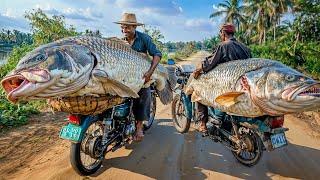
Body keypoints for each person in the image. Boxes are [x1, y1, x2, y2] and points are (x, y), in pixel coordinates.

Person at [192, 23, 252, 134]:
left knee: (199, 93)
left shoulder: (224, 45)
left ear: (223, 33)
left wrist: (197, 70)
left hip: (226, 84)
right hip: (242, 85)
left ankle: (203, 124)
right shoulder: (245, 48)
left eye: (220, 33)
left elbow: (209, 64)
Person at [114, 13, 162, 141]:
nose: (124, 30)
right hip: (125, 76)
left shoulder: (144, 38)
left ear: (135, 27)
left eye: (127, 27)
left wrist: (150, 72)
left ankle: (139, 127)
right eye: (123, 27)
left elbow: (157, 54)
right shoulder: (119, 41)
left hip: (141, 74)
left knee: (144, 93)